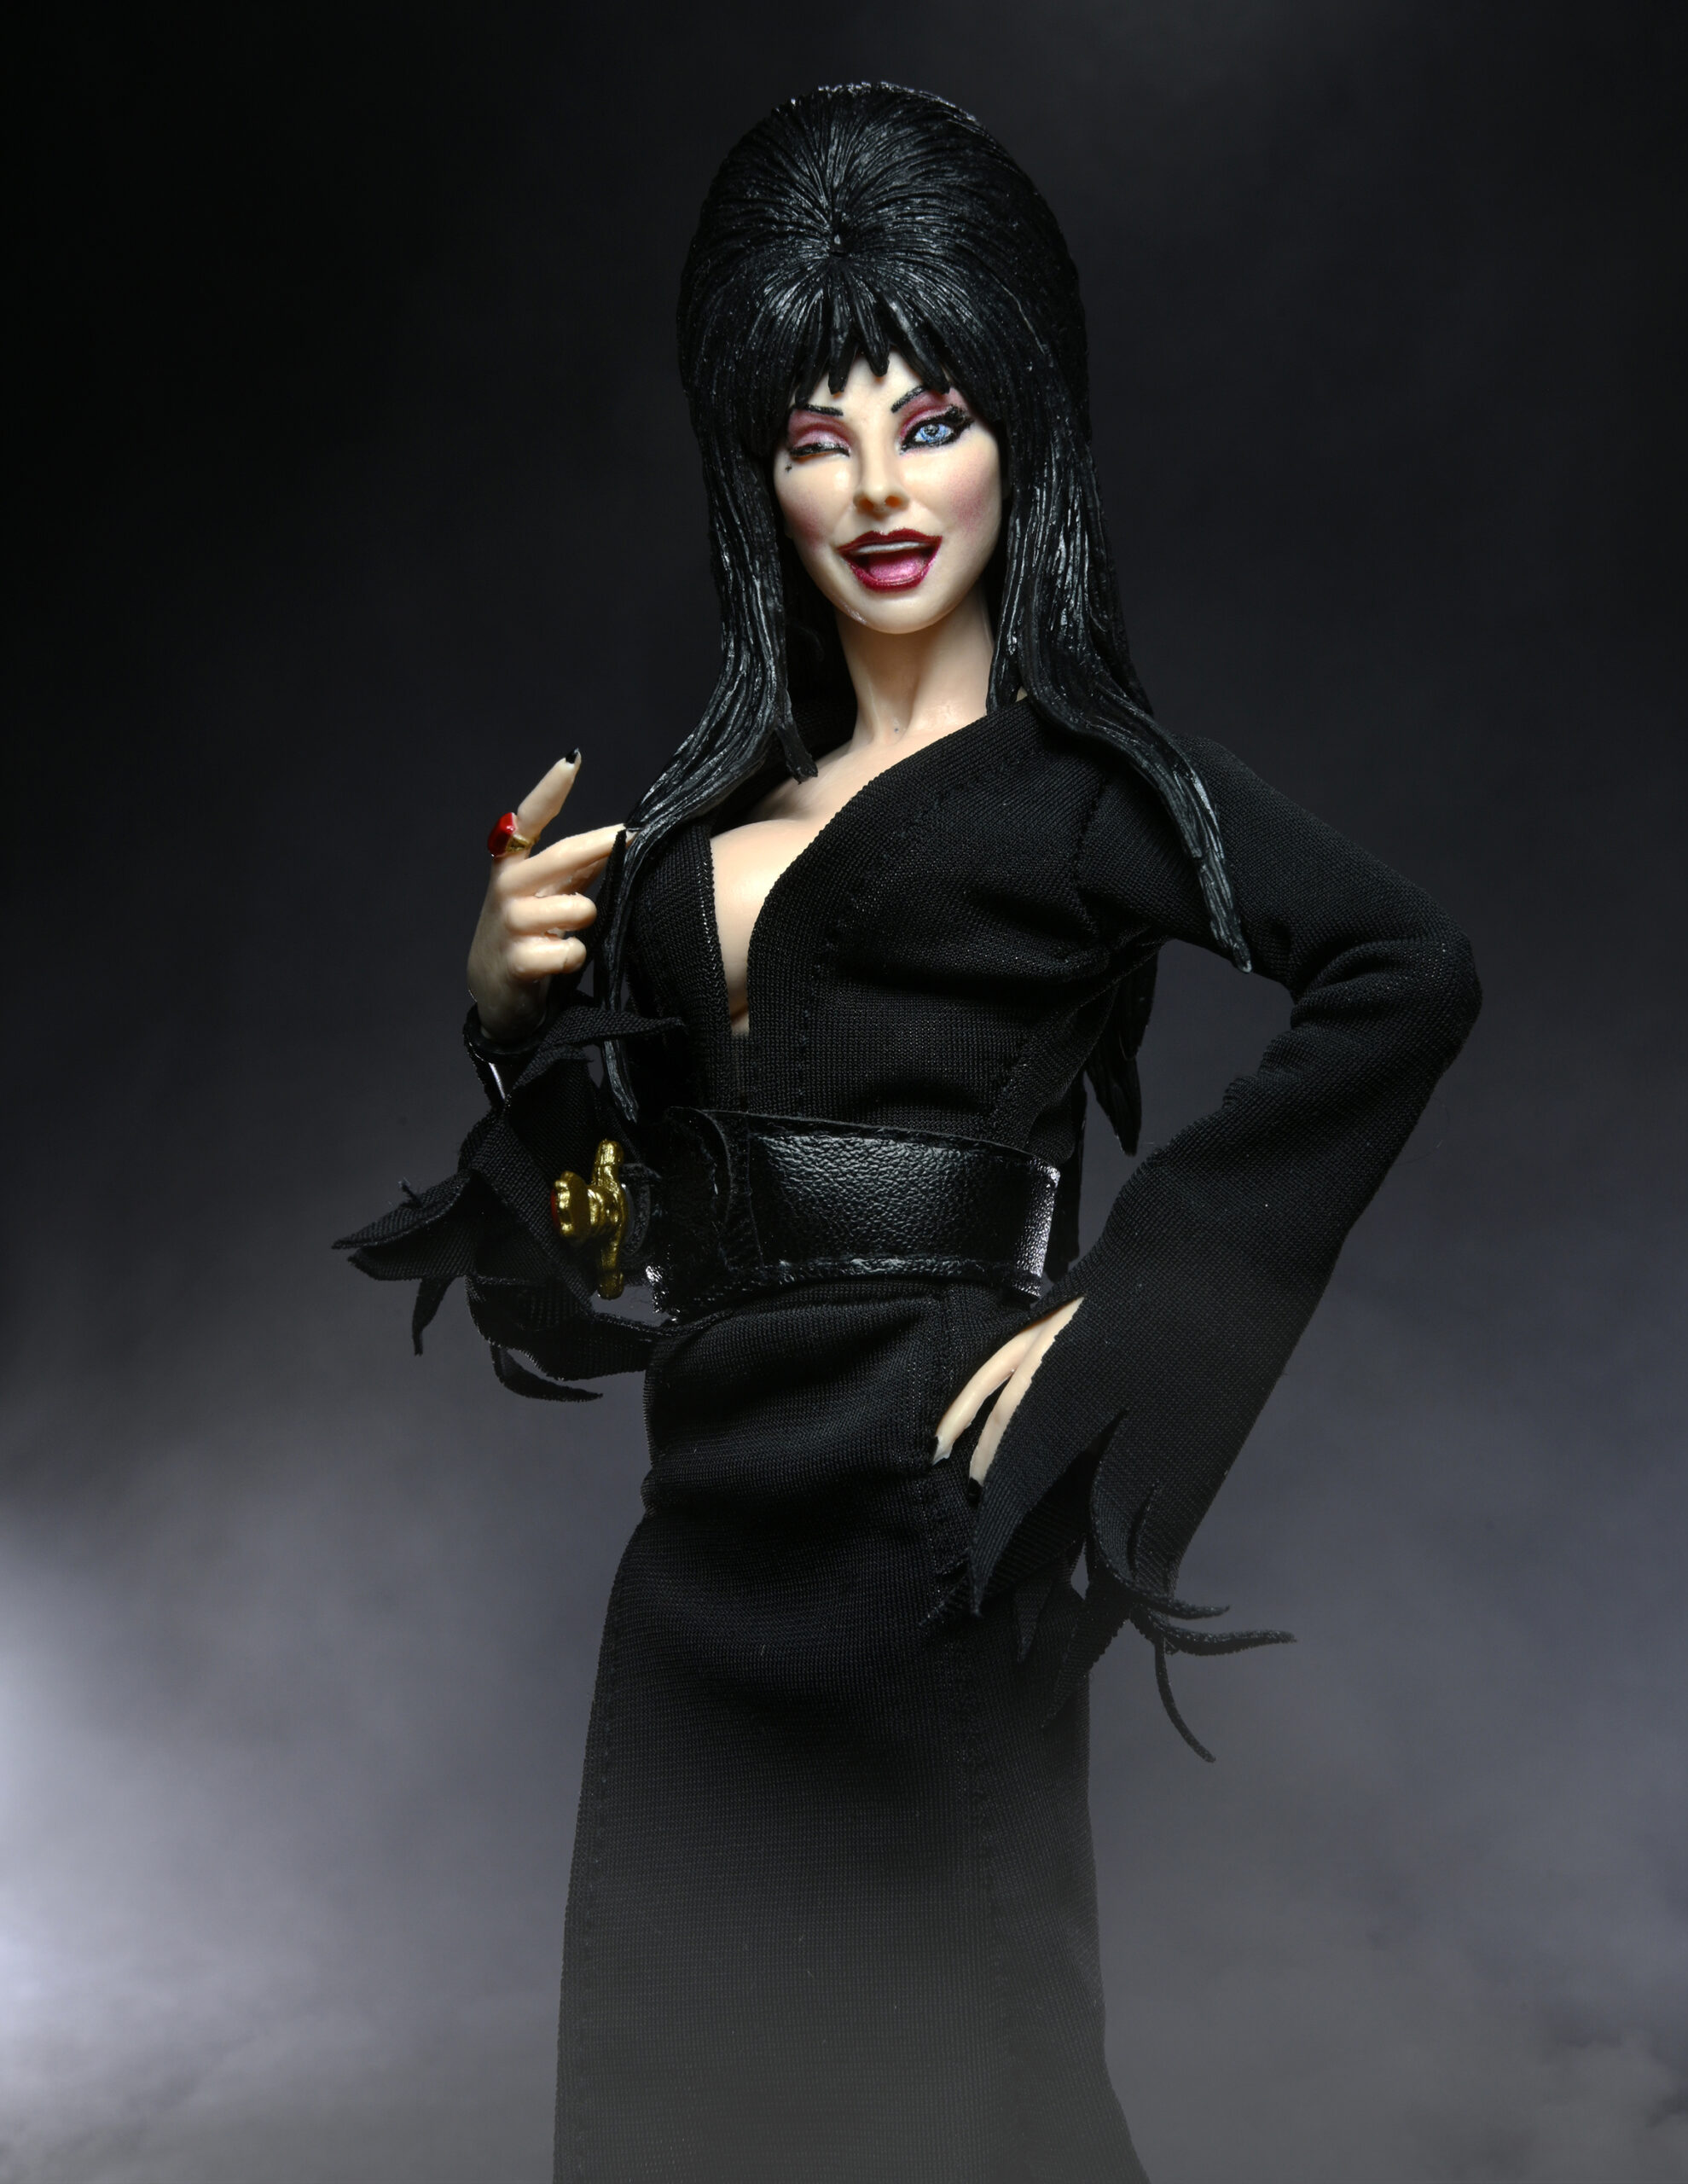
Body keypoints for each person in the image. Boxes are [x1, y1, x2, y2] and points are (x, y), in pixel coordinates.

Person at [342, 82, 1481, 2184]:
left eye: (930, 416)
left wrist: (1149, 1304)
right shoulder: (689, 831)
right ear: (751, 469)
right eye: (815, 434)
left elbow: (1403, 969)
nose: (877, 484)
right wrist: (506, 1029)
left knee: (963, 2057)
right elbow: (608, 1240)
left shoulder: (1081, 789)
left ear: (1019, 430)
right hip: (708, 1519)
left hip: (931, 1500)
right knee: (684, 2067)